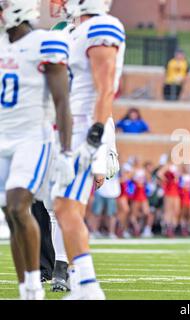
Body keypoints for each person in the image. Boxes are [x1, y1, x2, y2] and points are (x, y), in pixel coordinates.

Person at [49, 0, 125, 300]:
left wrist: (95, 136)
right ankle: (83, 283)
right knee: (67, 208)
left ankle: (88, 286)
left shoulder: (100, 27)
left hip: (84, 129)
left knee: (66, 207)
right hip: (68, 128)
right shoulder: (75, 31)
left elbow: (105, 86)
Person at [0, 0, 73, 299]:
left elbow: (62, 102)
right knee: (10, 213)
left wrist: (66, 153)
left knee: (20, 205)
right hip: (3, 136)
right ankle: (27, 285)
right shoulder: (3, 46)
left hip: (33, 137)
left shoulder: (45, 42)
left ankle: (34, 287)